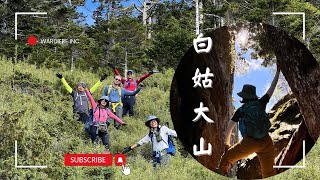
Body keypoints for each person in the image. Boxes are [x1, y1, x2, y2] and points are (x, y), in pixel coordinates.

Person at [217, 67, 280, 178]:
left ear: (243, 97)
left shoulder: (241, 110)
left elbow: (229, 127)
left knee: (226, 159)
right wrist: (278, 72)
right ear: (253, 96)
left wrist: (226, 144)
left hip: (249, 143)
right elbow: (272, 87)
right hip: (266, 141)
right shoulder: (261, 103)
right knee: (269, 174)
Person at [85, 87, 126, 154]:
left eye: (106, 101)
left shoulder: (107, 110)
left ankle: (106, 158)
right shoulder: (95, 107)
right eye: (103, 100)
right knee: (95, 143)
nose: (104, 102)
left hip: (103, 127)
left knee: (106, 144)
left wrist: (121, 122)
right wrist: (86, 89)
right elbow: (90, 97)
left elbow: (114, 116)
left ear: (107, 103)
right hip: (95, 127)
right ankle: (96, 156)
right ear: (100, 101)